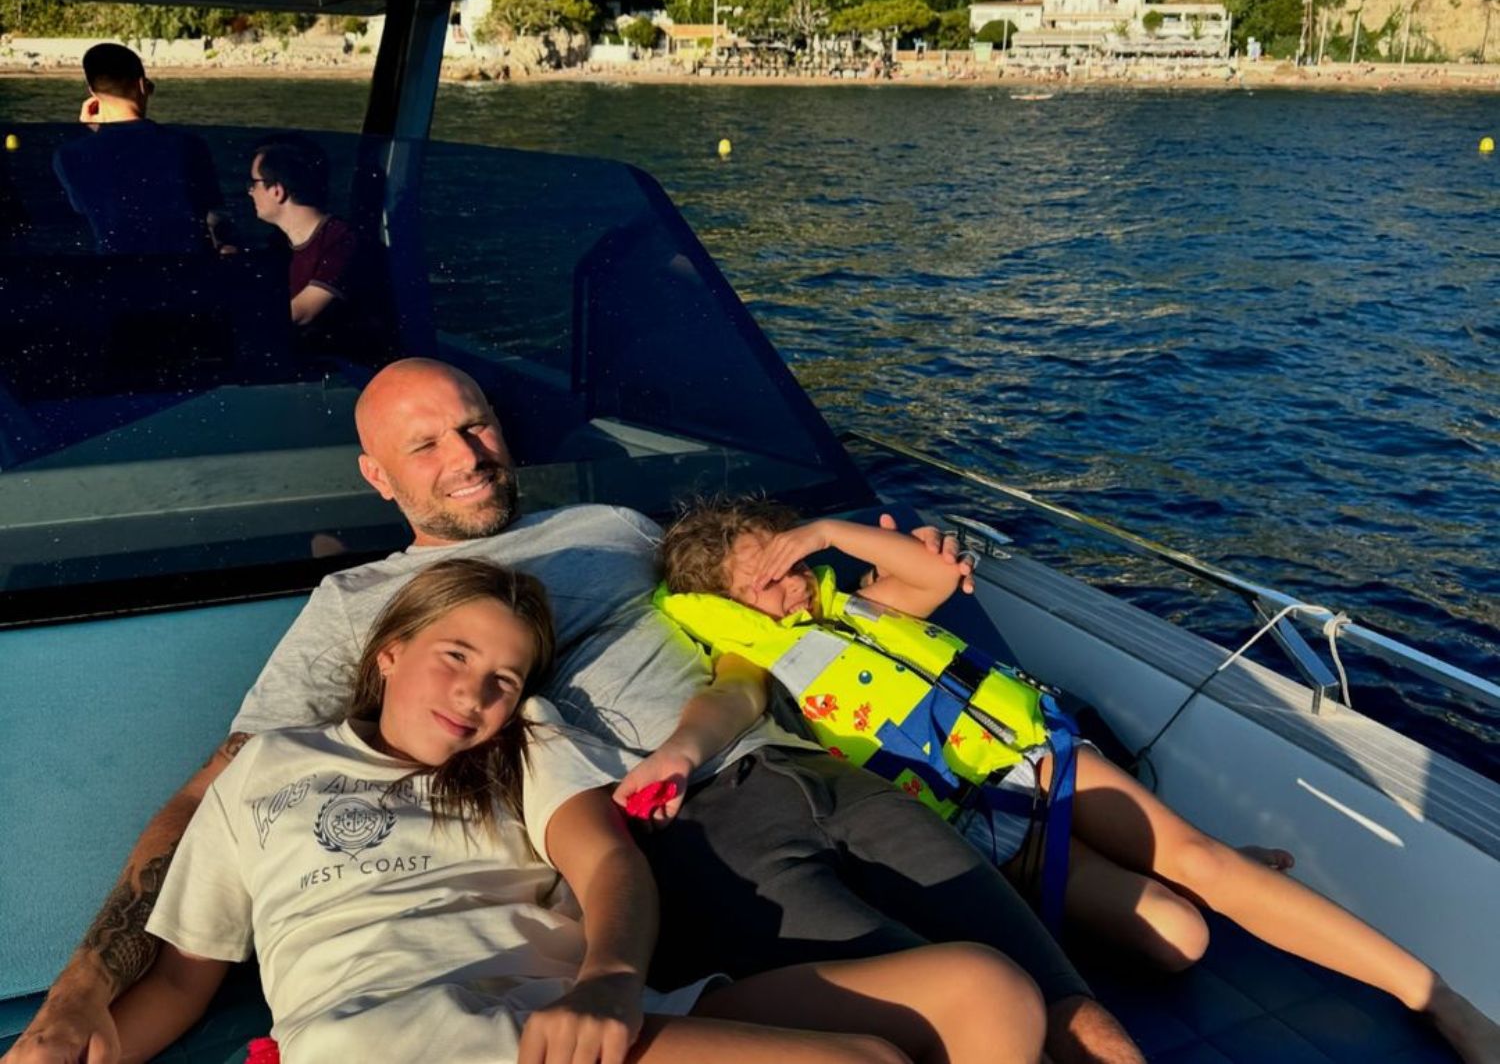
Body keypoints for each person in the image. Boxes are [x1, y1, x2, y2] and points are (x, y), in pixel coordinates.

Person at [2, 358, 1141, 1064]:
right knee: (980, 1017)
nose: (466, 455)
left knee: (1077, 1001)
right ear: (377, 478)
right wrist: (79, 991)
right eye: (425, 445)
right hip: (684, 825)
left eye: (475, 424)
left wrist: (878, 576)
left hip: (800, 749)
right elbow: (219, 788)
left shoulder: (614, 528)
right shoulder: (358, 604)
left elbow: (755, 610)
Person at [641, 495, 1500, 1064]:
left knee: (1199, 861)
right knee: (1180, 938)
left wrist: (824, 532)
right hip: (981, 830)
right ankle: (1185, 870)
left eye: (793, 563)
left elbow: (935, 576)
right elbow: (723, 703)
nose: (792, 586)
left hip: (1041, 762)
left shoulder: (863, 604)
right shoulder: (752, 658)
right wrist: (677, 755)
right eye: (765, 581)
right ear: (724, 605)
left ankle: (1441, 999)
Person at [113, 556, 1046, 1063]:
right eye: (455, 655)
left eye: (503, 676)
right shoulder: (268, 767)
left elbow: (607, 864)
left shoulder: (523, 742)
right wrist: (85, 1027)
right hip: (390, 1029)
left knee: (987, 989)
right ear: (389, 652)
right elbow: (184, 977)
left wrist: (608, 978)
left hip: (572, 1010)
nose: (476, 691)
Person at [51, 43, 233, 255]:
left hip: (116, 270)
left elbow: (92, 206)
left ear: (92, 92)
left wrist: (99, 131)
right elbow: (214, 213)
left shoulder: (69, 156)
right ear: (142, 85)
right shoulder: (189, 146)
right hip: (186, 267)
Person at [246, 134, 384, 346]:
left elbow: (302, 313)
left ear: (277, 191)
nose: (250, 192)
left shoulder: (343, 242)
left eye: (254, 183)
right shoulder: (280, 245)